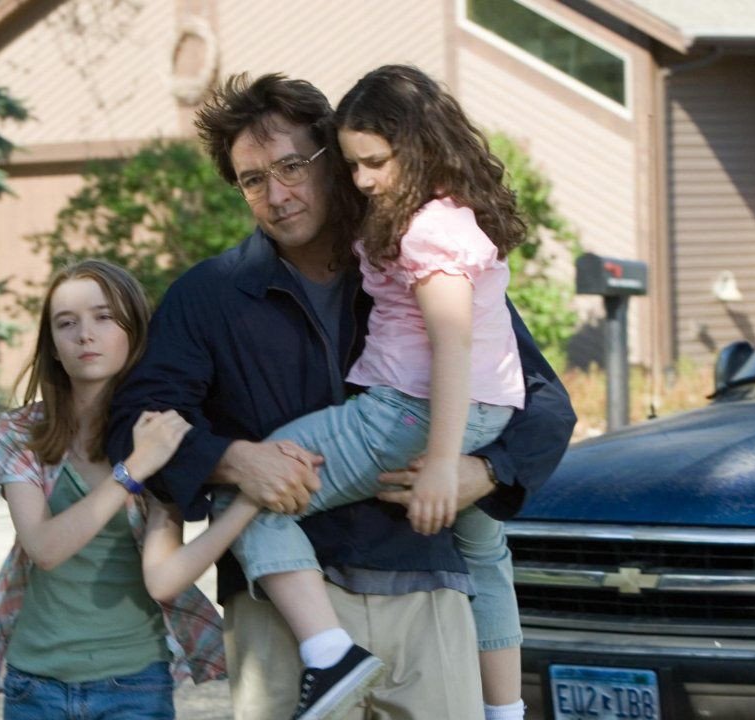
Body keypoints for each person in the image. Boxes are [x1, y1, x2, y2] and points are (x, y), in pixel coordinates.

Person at [107, 72, 576, 720]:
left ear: (332, 158)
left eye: (292, 166)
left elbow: (540, 398)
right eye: (252, 179)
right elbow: (135, 421)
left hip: (425, 591)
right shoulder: (207, 296)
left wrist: (485, 470)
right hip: (279, 616)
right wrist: (231, 460)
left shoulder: (407, 257)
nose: (277, 194)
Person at [208, 63, 533, 720]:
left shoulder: (427, 232)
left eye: (375, 163)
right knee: (485, 550)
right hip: (491, 411)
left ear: (423, 147)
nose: (362, 180)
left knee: (261, 485)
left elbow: (451, 345)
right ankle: (505, 710)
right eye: (352, 165)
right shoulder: (452, 218)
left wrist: (442, 461)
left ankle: (329, 652)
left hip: (410, 410)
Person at [0, 259, 259, 719]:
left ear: (135, 330)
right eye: (67, 323)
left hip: (133, 684)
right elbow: (44, 548)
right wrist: (133, 468)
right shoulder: (20, 432)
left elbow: (163, 578)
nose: (85, 335)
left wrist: (248, 502)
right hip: (35, 685)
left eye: (104, 317)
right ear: (53, 346)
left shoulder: (162, 432)